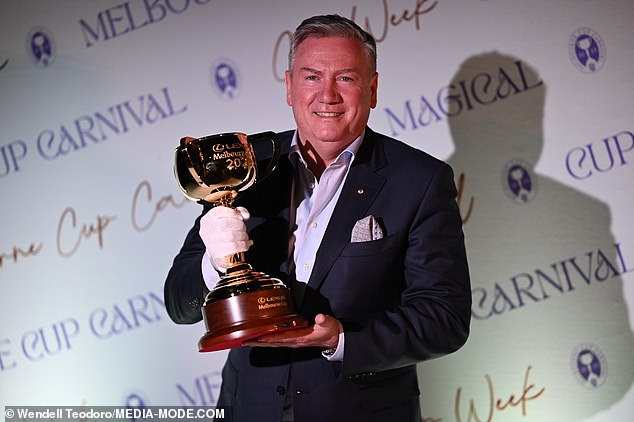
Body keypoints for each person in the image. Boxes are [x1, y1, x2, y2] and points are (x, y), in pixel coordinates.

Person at [164, 14, 471, 422]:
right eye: (311, 77)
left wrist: (343, 339)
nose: (327, 95)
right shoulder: (242, 165)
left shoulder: (420, 180)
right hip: (248, 409)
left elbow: (444, 318)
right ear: (290, 87)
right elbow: (178, 304)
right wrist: (215, 263)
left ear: (373, 88)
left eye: (346, 78)